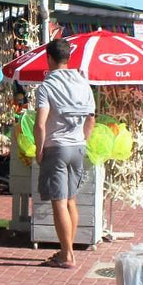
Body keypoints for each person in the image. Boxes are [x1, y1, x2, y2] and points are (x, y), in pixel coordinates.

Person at [34, 38, 97, 268]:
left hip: (56, 146)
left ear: (49, 58)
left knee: (59, 202)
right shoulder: (82, 82)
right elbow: (91, 118)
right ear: (68, 58)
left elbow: (40, 124)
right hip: (78, 146)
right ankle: (68, 250)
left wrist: (38, 150)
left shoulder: (47, 86)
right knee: (71, 200)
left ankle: (66, 255)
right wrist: (83, 140)